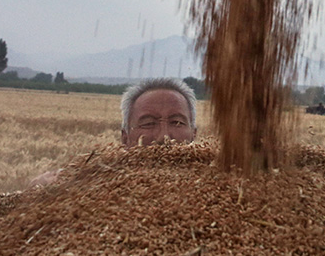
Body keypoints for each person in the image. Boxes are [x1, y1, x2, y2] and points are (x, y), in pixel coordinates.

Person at [29, 78, 198, 187]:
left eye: (177, 122)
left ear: (194, 135)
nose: (164, 137)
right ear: (125, 138)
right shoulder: (92, 184)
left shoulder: (218, 187)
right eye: (148, 123)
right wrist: (42, 192)